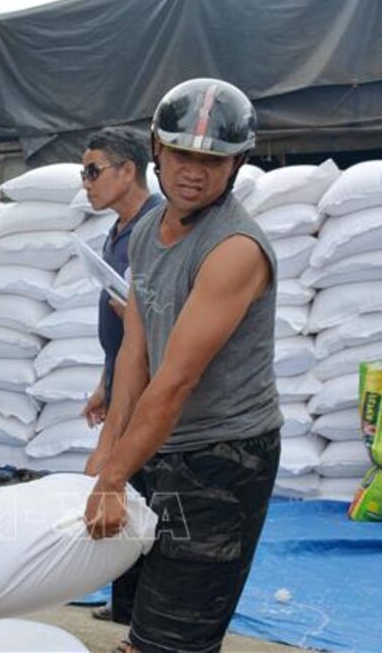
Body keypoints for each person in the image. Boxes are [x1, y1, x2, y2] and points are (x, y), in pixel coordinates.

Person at [83, 78, 282, 653]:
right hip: (160, 445)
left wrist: (116, 474)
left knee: (175, 637)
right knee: (141, 617)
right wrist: (112, 448)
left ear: (238, 164)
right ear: (157, 151)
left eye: (213, 160)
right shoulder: (146, 229)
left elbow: (176, 378)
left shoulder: (234, 248)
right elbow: (135, 351)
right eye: (182, 155)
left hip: (223, 458)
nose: (194, 171)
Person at [78, 127, 163, 625]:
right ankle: (127, 603)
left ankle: (146, 612)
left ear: (128, 170)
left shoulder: (157, 228)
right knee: (129, 494)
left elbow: (159, 319)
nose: (86, 183)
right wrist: (107, 382)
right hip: (125, 380)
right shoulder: (118, 232)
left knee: (143, 496)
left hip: (152, 390)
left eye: (93, 171)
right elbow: (122, 325)